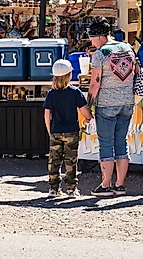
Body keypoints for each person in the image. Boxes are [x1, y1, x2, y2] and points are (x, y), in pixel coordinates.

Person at [87, 17, 141, 197]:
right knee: (121, 143)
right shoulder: (127, 48)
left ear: (98, 36)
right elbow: (136, 73)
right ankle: (120, 185)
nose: (91, 42)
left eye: (92, 38)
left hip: (107, 104)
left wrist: (89, 104)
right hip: (127, 102)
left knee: (106, 144)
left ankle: (105, 185)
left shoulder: (101, 53)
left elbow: (95, 83)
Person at [43, 59, 92, 198]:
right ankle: (71, 188)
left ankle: (53, 188)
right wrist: (89, 117)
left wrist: (49, 130)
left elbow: (47, 114)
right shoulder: (75, 92)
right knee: (71, 161)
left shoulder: (51, 94)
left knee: (54, 160)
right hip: (71, 130)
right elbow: (84, 111)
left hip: (55, 130)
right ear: (70, 75)